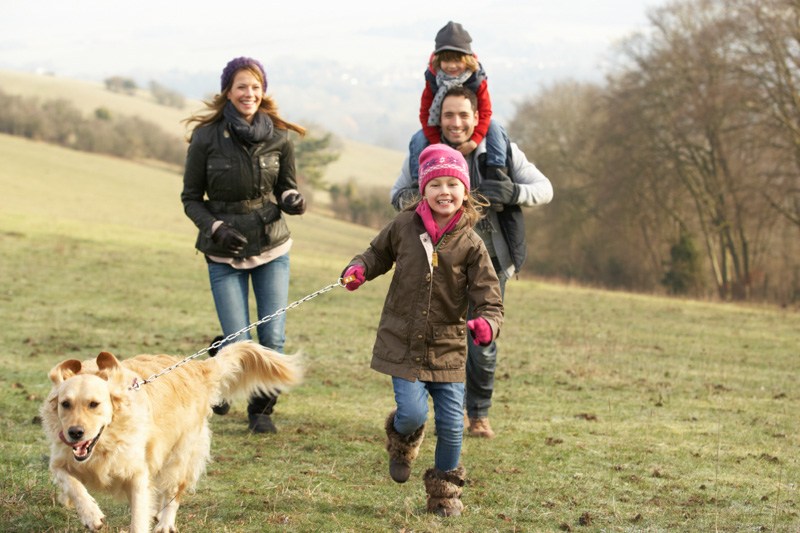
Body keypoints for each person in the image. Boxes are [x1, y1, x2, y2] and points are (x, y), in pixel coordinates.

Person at [341, 144, 504, 517]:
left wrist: (487, 325)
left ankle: (444, 495)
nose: (444, 191)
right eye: (436, 184)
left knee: (451, 425)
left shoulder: (472, 244)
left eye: (453, 184)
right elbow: (375, 254)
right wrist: (358, 269)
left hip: (447, 349)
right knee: (413, 414)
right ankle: (402, 443)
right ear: (423, 189)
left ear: (465, 191)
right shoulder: (403, 226)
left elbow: (490, 301)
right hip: (402, 343)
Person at [391, 86, 554, 439]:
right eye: (448, 115)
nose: (456, 122)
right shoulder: (422, 150)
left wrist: (514, 193)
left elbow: (545, 189)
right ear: (438, 118)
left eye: (464, 114)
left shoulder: (500, 150)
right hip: (436, 261)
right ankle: (437, 413)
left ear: (477, 117)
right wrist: (422, 199)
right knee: (435, 337)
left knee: (482, 340)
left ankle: (478, 414)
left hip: (490, 261)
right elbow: (397, 195)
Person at [181, 56, 307, 434]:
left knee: (272, 337)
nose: (249, 93)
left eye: (255, 86)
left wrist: (291, 199)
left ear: (263, 91)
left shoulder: (279, 137)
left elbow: (286, 186)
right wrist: (215, 227)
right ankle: (221, 361)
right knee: (239, 340)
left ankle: (261, 411)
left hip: (272, 246)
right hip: (223, 251)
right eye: (241, 86)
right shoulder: (206, 137)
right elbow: (190, 198)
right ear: (228, 91)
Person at [409, 21, 509, 184]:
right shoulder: (433, 80)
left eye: (457, 60)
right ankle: (417, 180)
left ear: (467, 59)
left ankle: (496, 173)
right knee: (418, 138)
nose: (452, 66)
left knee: (495, 127)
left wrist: (474, 141)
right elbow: (425, 113)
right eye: (446, 60)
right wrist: (437, 143)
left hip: (473, 127)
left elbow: (485, 112)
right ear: (438, 60)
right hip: (442, 128)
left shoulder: (477, 79)